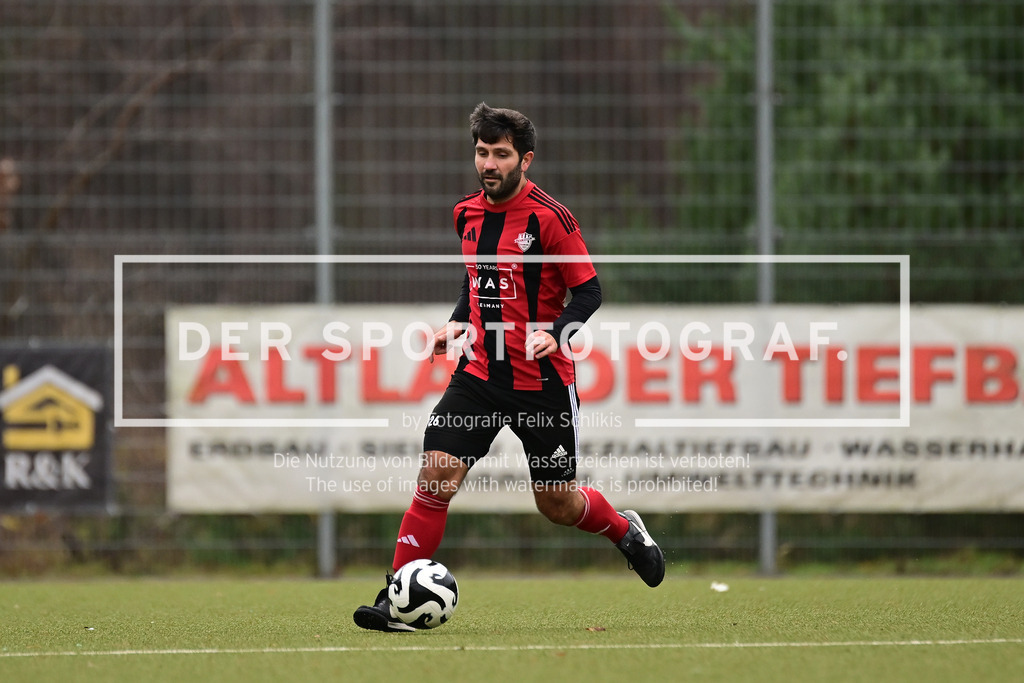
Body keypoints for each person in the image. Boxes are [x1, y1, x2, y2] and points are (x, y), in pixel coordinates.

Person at [353, 103, 664, 632]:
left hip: (541, 384)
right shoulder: (465, 214)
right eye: (482, 152)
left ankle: (623, 530)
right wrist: (457, 322)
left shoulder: (550, 219)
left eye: (501, 154)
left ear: (526, 159)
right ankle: (396, 597)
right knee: (436, 476)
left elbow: (588, 290)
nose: (489, 163)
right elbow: (475, 281)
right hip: (478, 377)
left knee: (558, 505)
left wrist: (557, 332)